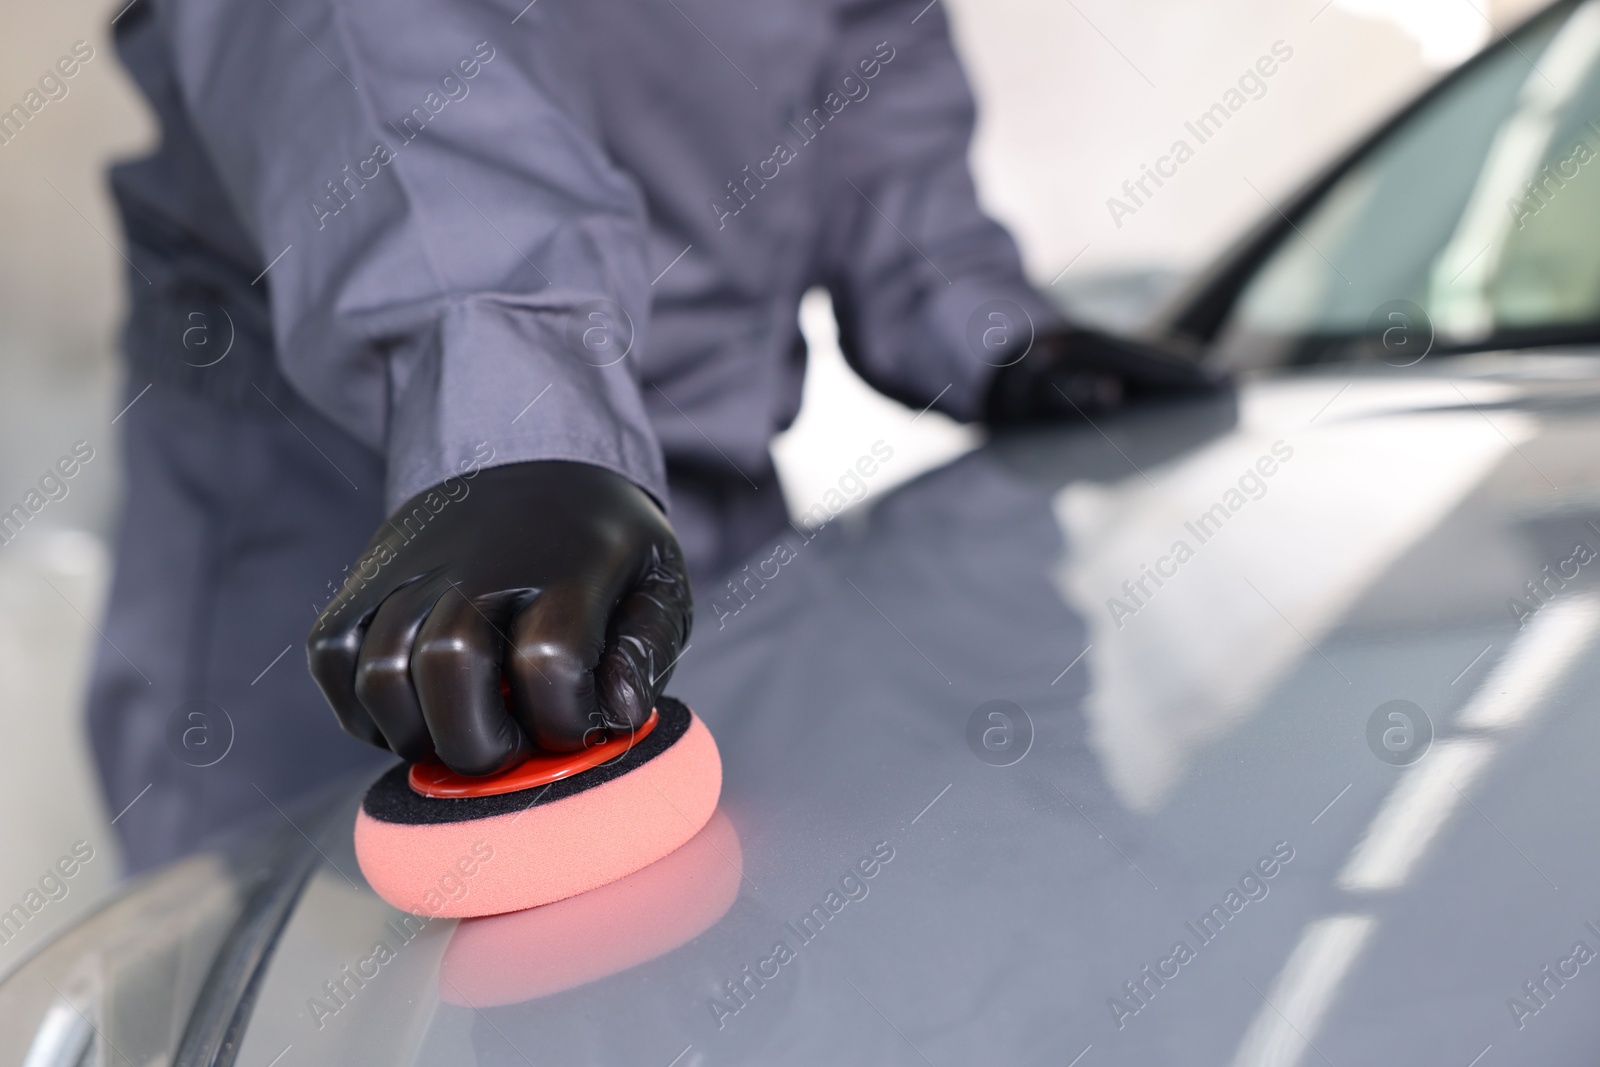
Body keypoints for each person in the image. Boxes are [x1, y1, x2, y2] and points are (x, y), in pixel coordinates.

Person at [89, 0, 1219, 871]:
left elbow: (871, 52)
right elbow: (368, 44)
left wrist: (982, 322)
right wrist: (506, 394)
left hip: (703, 520)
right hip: (377, 531)